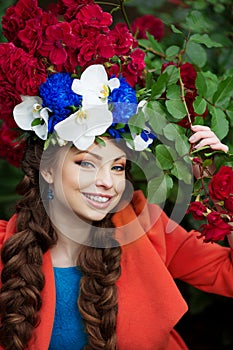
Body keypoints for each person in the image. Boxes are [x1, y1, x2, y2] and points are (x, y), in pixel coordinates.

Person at [0, 1, 232, 349]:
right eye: (86, 163)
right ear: (47, 169)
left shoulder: (148, 229)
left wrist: (223, 189)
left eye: (118, 166)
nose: (107, 182)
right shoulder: (6, 246)